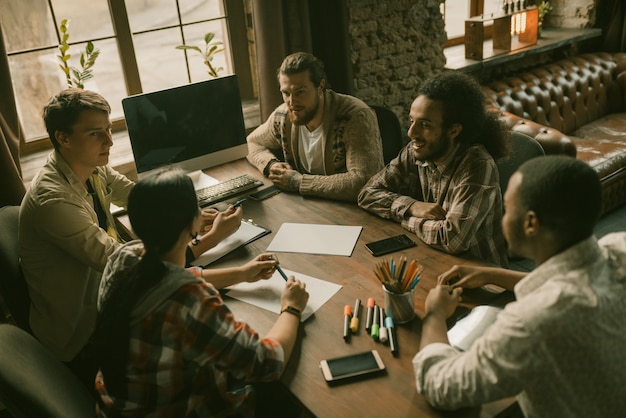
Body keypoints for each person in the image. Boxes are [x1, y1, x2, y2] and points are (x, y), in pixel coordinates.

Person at [18, 88, 253, 384]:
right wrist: (209, 239)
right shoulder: (52, 200)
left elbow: (138, 196)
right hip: (84, 336)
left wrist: (190, 213)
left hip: (109, 301)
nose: (109, 141)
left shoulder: (92, 168)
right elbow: (129, 268)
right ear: (63, 138)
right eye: (95, 134)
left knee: (205, 327)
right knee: (206, 340)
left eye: (108, 130)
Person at [413, 156, 626, 417]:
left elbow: (442, 386)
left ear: (530, 223)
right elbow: (574, 282)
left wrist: (434, 315)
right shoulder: (618, 248)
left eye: (507, 207)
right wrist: (494, 274)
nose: (503, 215)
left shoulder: (532, 322)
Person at [93, 168, 309, 417]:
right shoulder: (191, 301)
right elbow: (267, 363)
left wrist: (242, 273)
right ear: (193, 222)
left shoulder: (124, 257)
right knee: (283, 398)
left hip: (116, 407)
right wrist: (291, 307)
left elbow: (171, 278)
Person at [358, 71, 510, 267]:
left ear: (453, 130)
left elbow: (451, 238)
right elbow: (367, 194)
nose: (412, 132)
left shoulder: (478, 165)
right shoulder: (416, 151)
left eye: (425, 125)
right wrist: (412, 206)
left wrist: (405, 216)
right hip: (430, 257)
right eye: (412, 121)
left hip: (482, 278)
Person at [246, 52, 384, 202]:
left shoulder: (355, 117)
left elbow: (363, 181)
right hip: (310, 207)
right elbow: (251, 142)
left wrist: (298, 182)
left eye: (300, 92)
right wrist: (271, 165)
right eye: (286, 93)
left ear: (320, 87)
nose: (292, 102)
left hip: (353, 210)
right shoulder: (283, 116)